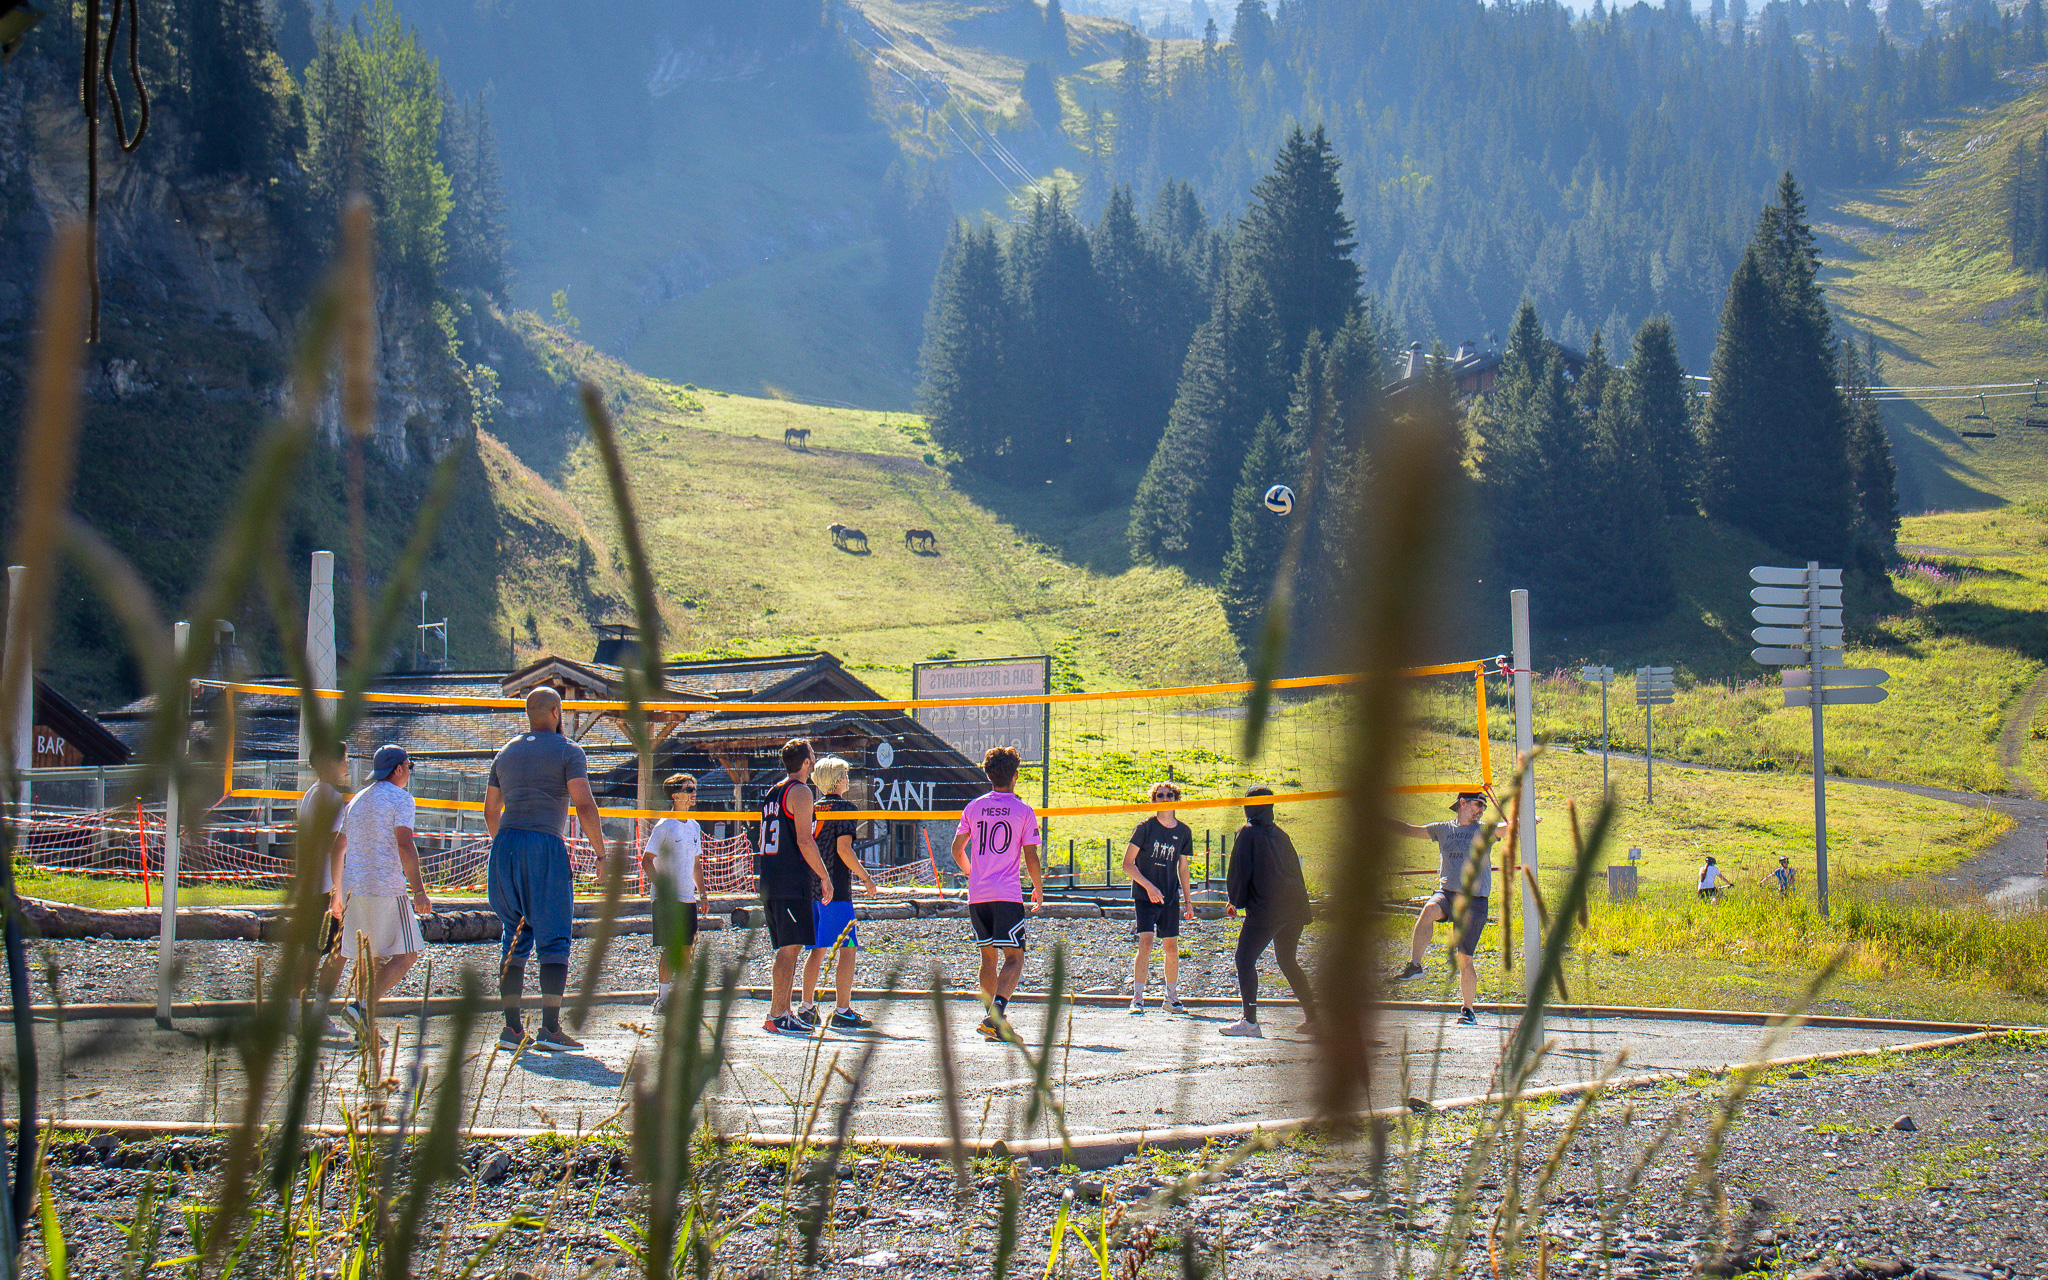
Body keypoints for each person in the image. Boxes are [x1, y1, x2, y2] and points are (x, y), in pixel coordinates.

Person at [486, 687, 607, 1052]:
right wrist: (600, 855)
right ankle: (550, 1029)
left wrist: (508, 844)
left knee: (515, 934)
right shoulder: (569, 751)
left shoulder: (505, 752)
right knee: (554, 938)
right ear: (556, 712)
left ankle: (511, 1029)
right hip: (545, 845)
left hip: (505, 843)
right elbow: (584, 805)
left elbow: (491, 811)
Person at [334, 745, 433, 1029]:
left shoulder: (356, 801)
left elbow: (338, 847)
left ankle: (364, 1026)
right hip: (385, 885)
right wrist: (418, 890)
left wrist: (338, 893)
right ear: (399, 769)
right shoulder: (401, 799)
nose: (409, 772)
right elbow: (404, 843)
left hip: (355, 886)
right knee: (407, 955)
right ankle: (361, 1008)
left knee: (369, 957)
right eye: (409, 766)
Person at [951, 745, 1045, 1041]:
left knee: (988, 958)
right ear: (1016, 776)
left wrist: (971, 872)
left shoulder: (974, 806)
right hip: (1006, 894)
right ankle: (996, 1015)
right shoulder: (1023, 810)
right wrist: (1038, 889)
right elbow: (1031, 856)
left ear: (988, 775)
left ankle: (994, 1022)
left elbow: (956, 850)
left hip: (978, 895)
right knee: (1015, 957)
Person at [1385, 791, 1494, 1027]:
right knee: (1428, 911)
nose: (1481, 810)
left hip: (1474, 901)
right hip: (1448, 894)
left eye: (1484, 806)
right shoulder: (1442, 829)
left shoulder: (1484, 830)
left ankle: (1468, 1010)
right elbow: (1410, 829)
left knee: (1464, 958)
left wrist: (1523, 821)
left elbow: (1506, 828)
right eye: (1478, 804)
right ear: (1462, 803)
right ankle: (1415, 966)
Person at [1221, 786, 1315, 1038]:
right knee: (1287, 960)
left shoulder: (1248, 833)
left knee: (1244, 959)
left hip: (1268, 908)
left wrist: (1234, 901)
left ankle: (1249, 1022)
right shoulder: (1282, 835)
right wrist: (1305, 912)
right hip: (1294, 908)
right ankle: (1314, 1019)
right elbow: (1297, 872)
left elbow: (1240, 872)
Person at [759, 738, 834, 1035]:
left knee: (790, 947)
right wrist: (824, 875)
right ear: (805, 762)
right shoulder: (800, 791)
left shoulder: (772, 791)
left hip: (772, 877)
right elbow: (804, 840)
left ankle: (783, 1012)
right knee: (789, 949)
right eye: (812, 756)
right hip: (789, 879)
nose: (814, 760)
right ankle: (777, 1014)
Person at [798, 756, 878, 1030]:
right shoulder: (845, 808)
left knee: (818, 950)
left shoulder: (811, 808)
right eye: (844, 774)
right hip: (836, 889)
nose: (847, 778)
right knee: (848, 947)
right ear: (837, 779)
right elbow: (844, 850)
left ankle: (807, 1006)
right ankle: (842, 1010)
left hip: (811, 887)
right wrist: (866, 878)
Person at [1123, 780, 1194, 1016]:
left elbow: (1183, 868)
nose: (1165, 799)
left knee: (1171, 946)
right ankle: (1138, 998)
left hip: (1170, 896)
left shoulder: (1184, 831)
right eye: (1160, 796)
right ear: (1154, 801)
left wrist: (1188, 901)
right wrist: (1149, 887)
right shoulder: (1144, 828)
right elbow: (1127, 864)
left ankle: (1171, 997)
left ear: (1175, 799)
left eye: (1169, 795)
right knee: (1146, 942)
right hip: (1145, 896)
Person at [640, 772, 704, 1015]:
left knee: (688, 948)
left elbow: (697, 864)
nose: (693, 793)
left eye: (693, 788)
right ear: (675, 795)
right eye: (688, 789)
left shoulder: (695, 826)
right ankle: (662, 999)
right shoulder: (664, 826)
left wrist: (704, 895)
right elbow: (646, 861)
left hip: (688, 897)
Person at [296, 747, 350, 1030]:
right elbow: (334, 846)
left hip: (310, 883)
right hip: (325, 886)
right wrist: (337, 892)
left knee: (311, 950)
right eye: (343, 758)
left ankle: (294, 1012)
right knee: (333, 951)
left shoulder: (311, 793)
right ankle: (317, 1014)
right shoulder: (330, 797)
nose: (347, 763)